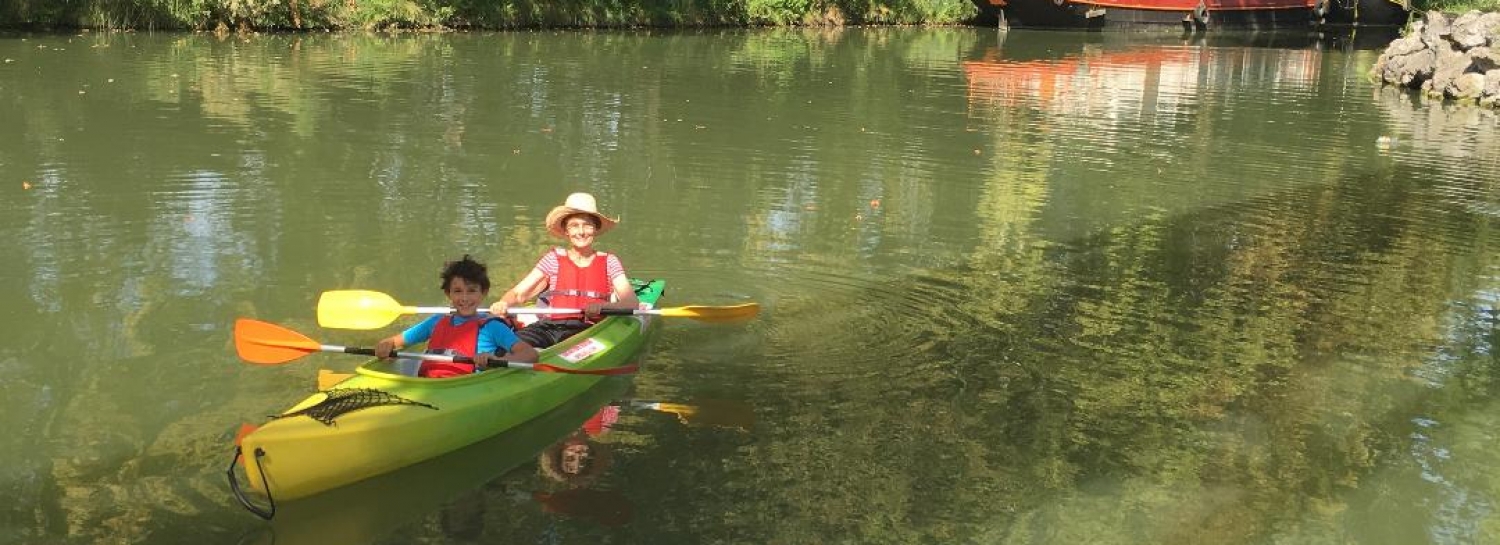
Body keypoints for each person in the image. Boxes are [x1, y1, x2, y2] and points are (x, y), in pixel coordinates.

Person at [488, 192, 639, 349]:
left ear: (595, 229)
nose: (581, 232)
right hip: (548, 327)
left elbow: (631, 303)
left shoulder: (609, 261)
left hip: (588, 329)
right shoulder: (553, 259)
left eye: (587, 225)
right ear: (566, 231)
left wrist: (603, 307)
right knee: (509, 346)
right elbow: (519, 293)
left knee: (566, 346)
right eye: (574, 226)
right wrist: (503, 303)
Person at [375, 255, 538, 378]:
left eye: (472, 290)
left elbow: (530, 354)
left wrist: (496, 360)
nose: (465, 298)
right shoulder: (436, 321)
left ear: (484, 293)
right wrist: (386, 344)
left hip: (467, 387)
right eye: (458, 291)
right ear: (448, 294)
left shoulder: (492, 327)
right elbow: (396, 341)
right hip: (428, 384)